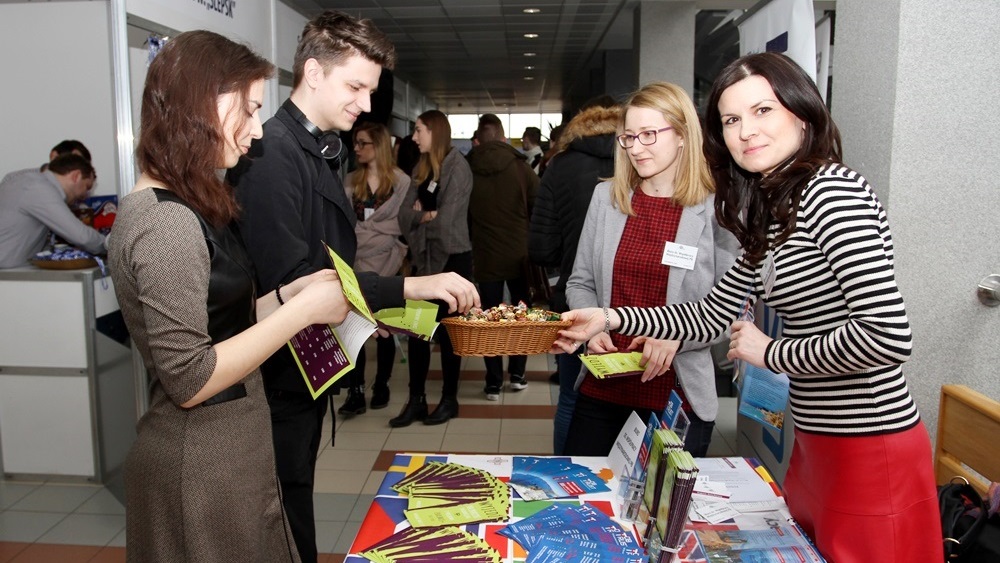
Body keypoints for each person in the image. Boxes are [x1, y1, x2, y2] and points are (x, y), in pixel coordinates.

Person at [555, 52, 942, 562]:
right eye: (732, 119)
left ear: (801, 113)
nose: (745, 131)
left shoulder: (833, 193)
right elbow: (712, 313)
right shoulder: (777, 208)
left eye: (763, 111)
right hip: (819, 438)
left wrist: (772, 352)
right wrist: (609, 317)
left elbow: (888, 337)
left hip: (869, 441)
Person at [227, 12, 479, 563]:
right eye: (356, 86)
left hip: (300, 367)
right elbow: (299, 283)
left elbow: (328, 266)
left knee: (294, 498)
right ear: (313, 73)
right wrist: (413, 286)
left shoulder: (312, 149)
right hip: (277, 375)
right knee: (283, 512)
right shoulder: (271, 156)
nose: (365, 104)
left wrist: (375, 309)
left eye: (370, 89)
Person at [107, 30, 352, 562]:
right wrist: (303, 313)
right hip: (199, 466)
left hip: (224, 453)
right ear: (203, 103)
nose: (257, 133)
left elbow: (220, 321)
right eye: (250, 109)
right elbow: (192, 377)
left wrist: (288, 295)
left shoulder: (180, 208)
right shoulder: (165, 224)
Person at [562, 83, 739, 458]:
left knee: (660, 514)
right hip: (604, 385)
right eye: (629, 137)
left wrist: (677, 337)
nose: (637, 148)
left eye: (649, 135)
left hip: (677, 395)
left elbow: (730, 309)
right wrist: (592, 331)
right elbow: (581, 283)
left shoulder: (715, 210)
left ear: (682, 136)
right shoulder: (607, 199)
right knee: (583, 503)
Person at [528, 99, 621, 454]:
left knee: (572, 396)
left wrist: (571, 257)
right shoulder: (643, 162)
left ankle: (567, 473)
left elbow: (540, 248)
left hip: (575, 300)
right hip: (642, 305)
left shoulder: (560, 166)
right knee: (638, 398)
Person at [393, 109, 474, 427]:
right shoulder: (421, 168)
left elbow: (447, 222)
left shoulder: (459, 168)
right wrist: (425, 217)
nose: (414, 137)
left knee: (450, 336)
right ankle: (416, 400)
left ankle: (449, 399)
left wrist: (422, 218)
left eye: (419, 130)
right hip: (425, 262)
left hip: (452, 261)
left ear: (435, 132)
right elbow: (403, 215)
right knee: (417, 332)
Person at [339, 122, 410, 413]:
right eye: (355, 143)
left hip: (389, 263)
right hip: (356, 264)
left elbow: (398, 225)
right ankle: (355, 390)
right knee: (354, 329)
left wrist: (369, 232)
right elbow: (348, 226)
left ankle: (382, 383)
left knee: (386, 329)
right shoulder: (349, 181)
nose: (356, 149)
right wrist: (374, 232)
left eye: (362, 143)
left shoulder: (401, 182)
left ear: (378, 146)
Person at [466, 113, 538, 400]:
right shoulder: (521, 169)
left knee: (489, 318)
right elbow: (538, 206)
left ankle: (493, 382)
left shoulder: (467, 168)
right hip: (520, 256)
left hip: (484, 256)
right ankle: (518, 374)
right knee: (522, 315)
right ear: (504, 137)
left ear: (478, 139)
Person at [0, 153, 105, 268]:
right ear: (76, 176)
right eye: (87, 187)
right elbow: (82, 237)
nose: (85, 196)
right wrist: (113, 246)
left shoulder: (27, 180)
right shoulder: (39, 188)